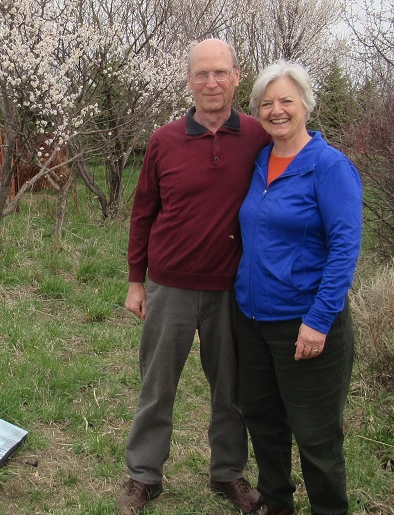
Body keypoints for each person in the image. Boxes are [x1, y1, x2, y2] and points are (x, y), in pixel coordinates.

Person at [119, 38, 270, 515]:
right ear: (188, 79)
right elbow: (143, 212)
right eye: (202, 73)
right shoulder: (164, 141)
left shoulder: (257, 136)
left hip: (233, 288)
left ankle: (228, 473)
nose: (211, 82)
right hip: (170, 286)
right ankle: (144, 475)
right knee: (157, 385)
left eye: (220, 72)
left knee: (231, 390)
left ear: (236, 77)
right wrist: (135, 280)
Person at [235, 60, 362, 515]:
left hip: (305, 325)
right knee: (264, 423)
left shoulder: (329, 167)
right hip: (250, 320)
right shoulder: (260, 161)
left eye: (287, 100)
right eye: (266, 103)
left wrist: (318, 320)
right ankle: (276, 504)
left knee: (316, 437)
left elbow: (345, 249)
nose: (277, 110)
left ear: (306, 104)